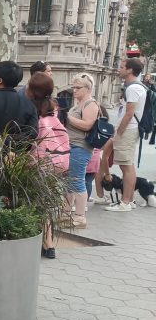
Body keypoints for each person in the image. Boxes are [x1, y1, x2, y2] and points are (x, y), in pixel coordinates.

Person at [26, 72, 66, 259]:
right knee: (46, 200)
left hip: (36, 162)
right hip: (56, 161)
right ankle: (48, 244)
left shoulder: (31, 110)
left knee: (35, 201)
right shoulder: (54, 109)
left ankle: (42, 242)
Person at [104, 57, 145, 212]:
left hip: (128, 130)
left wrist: (118, 133)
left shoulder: (133, 88)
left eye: (122, 67)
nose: (119, 69)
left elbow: (129, 113)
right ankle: (130, 200)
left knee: (126, 166)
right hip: (130, 129)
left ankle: (125, 202)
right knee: (128, 165)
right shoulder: (136, 87)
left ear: (129, 70)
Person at [63, 73, 100, 228]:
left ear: (88, 88)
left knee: (77, 181)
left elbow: (87, 125)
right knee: (69, 181)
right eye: (73, 87)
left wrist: (67, 118)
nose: (74, 90)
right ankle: (65, 213)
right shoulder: (77, 104)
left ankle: (80, 217)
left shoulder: (90, 104)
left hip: (80, 146)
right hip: (72, 145)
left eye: (78, 87)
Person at [0, 61, 38, 144]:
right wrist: (11, 143)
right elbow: (32, 132)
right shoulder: (29, 104)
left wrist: (0, 142)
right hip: (18, 153)